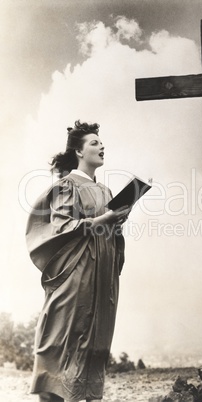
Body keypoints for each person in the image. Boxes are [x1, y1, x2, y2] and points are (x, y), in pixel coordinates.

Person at [26, 121, 130, 402]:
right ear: (79, 152)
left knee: (95, 341)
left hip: (101, 277)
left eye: (101, 142)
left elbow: (109, 235)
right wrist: (101, 220)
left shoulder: (106, 192)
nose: (102, 146)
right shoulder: (66, 186)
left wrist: (116, 222)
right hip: (75, 277)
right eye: (95, 143)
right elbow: (61, 227)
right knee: (62, 338)